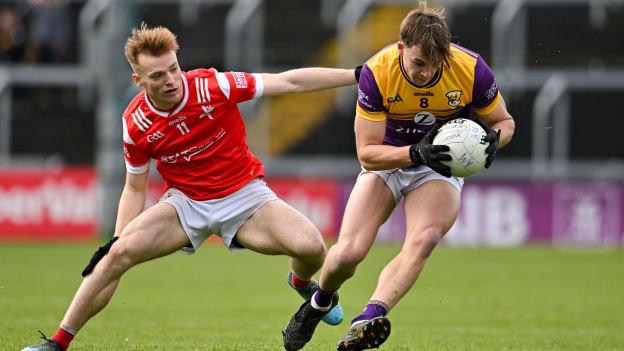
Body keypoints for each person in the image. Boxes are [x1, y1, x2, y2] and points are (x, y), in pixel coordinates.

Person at [21, 23, 356, 351]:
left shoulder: (214, 86)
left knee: (313, 248)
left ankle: (299, 282)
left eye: (173, 69)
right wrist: (117, 241)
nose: (170, 81)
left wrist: (356, 75)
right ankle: (56, 343)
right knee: (113, 257)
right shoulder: (134, 122)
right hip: (186, 204)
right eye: (157, 76)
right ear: (139, 81)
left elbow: (290, 82)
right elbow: (135, 188)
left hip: (244, 195)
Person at [282, 4, 515, 351]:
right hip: (387, 161)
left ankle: (367, 320)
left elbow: (504, 121)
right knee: (348, 254)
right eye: (419, 64)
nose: (426, 73)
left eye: (436, 65)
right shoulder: (378, 72)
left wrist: (495, 140)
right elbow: (367, 152)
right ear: (402, 48)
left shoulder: (470, 68)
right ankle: (318, 303)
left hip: (437, 168)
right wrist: (413, 152)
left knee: (425, 238)